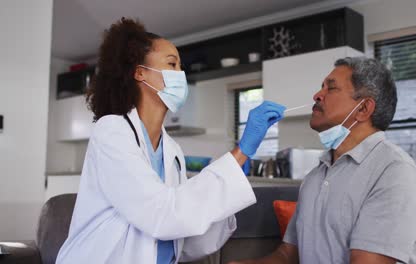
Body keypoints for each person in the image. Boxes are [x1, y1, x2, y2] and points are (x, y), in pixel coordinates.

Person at [56, 18, 285, 264]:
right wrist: (240, 152)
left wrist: (228, 188)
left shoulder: (172, 151)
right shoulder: (112, 131)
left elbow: (185, 240)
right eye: (172, 64)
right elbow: (161, 214)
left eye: (180, 67)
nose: (181, 75)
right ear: (140, 72)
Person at [229, 57, 416, 264]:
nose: (317, 95)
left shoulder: (394, 172)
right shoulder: (316, 176)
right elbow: (288, 254)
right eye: (321, 87)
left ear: (363, 109)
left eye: (330, 89)